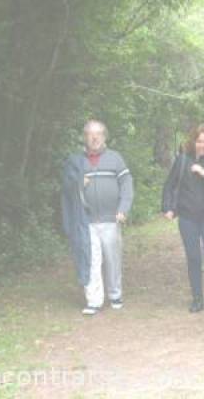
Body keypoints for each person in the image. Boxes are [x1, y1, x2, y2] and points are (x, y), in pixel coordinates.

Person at [62, 120, 134, 316]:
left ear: (104, 136)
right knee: (91, 259)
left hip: (111, 219)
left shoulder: (115, 158)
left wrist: (123, 208)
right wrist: (78, 182)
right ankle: (93, 301)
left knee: (112, 260)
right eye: (90, 134)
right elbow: (66, 188)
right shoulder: (76, 161)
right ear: (84, 137)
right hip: (86, 221)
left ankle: (115, 294)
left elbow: (127, 184)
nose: (94, 138)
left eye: (98, 134)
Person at [162, 124, 204, 313]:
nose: (202, 145)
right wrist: (168, 208)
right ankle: (197, 297)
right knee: (194, 257)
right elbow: (169, 185)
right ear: (193, 141)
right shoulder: (182, 160)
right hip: (187, 217)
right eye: (199, 141)